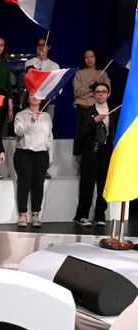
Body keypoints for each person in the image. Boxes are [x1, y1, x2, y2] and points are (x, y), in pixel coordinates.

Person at [73, 83, 118, 226]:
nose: (100, 94)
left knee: (103, 185)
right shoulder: (87, 112)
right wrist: (93, 121)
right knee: (87, 185)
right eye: (97, 92)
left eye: (103, 92)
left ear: (108, 94)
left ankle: (100, 216)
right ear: (93, 94)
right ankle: (82, 216)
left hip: (107, 152)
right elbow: (81, 134)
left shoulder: (114, 112)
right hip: (90, 152)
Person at [13, 94, 53, 228]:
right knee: (23, 184)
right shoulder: (20, 115)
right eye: (32, 95)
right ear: (27, 98)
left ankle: (36, 214)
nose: (35, 97)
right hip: (24, 152)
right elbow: (18, 132)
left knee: (38, 185)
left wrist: (50, 156)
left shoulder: (46, 116)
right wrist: (30, 120)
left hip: (41, 153)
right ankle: (22, 214)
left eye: (38, 95)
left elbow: (49, 137)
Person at [73, 49, 111, 156]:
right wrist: (91, 84)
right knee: (81, 135)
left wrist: (90, 94)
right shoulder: (79, 73)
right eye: (86, 57)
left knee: (97, 134)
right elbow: (78, 92)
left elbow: (108, 91)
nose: (89, 59)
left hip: (97, 109)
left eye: (91, 57)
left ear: (96, 58)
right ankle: (80, 161)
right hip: (82, 108)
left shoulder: (102, 73)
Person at [24, 37, 61, 120]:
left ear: (49, 47)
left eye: (44, 45)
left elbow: (58, 86)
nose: (41, 47)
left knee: (46, 128)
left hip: (48, 103)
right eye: (39, 45)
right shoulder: (29, 63)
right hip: (33, 102)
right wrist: (40, 60)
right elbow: (30, 81)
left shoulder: (54, 65)